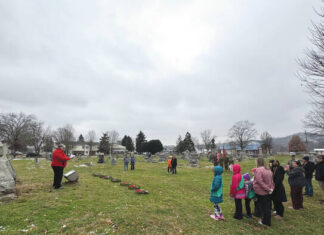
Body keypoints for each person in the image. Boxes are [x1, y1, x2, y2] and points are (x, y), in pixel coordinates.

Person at [253, 158, 274, 226]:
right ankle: (265, 220)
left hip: (261, 191)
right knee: (267, 206)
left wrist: (267, 189)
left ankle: (266, 222)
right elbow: (271, 181)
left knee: (264, 207)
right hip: (268, 191)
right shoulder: (268, 169)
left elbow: (259, 181)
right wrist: (271, 188)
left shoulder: (258, 170)